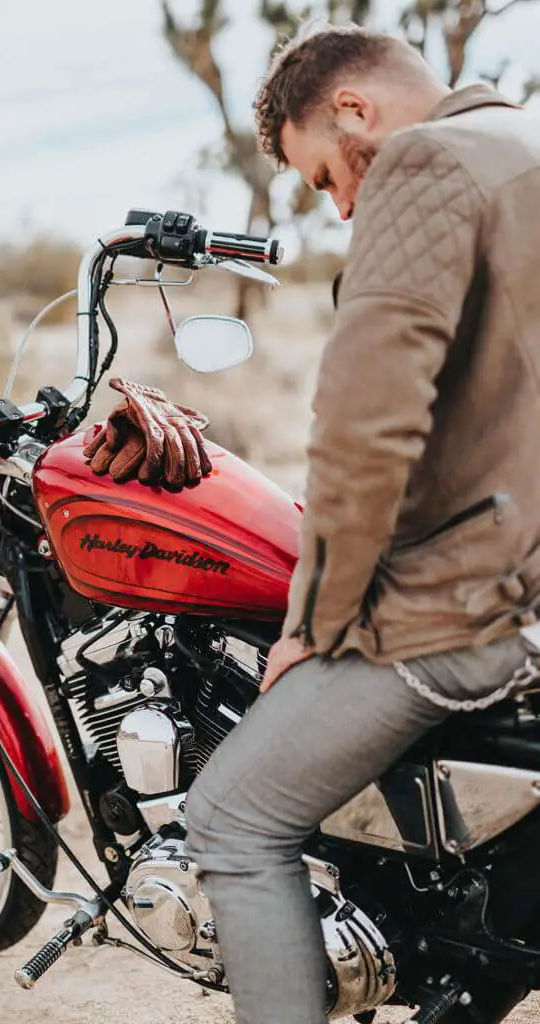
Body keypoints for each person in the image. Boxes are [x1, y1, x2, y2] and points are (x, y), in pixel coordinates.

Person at [185, 24, 540, 1024]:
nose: (341, 204)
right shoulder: (523, 146)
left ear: (353, 111)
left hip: (458, 612)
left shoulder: (424, 164)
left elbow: (363, 431)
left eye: (323, 178)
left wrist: (313, 621)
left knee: (231, 815)